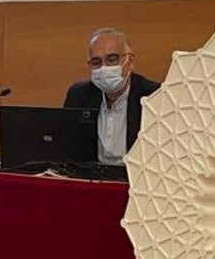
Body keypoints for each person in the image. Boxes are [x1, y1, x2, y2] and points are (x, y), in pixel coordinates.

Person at [63, 28, 160, 164]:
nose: (104, 68)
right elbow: (69, 150)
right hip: (93, 178)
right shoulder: (79, 96)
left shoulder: (155, 96)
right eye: (96, 62)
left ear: (130, 60)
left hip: (137, 180)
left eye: (112, 60)